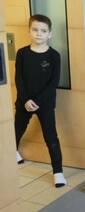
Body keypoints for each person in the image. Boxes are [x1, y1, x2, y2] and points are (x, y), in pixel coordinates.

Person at [14, 14, 66, 188]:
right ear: (29, 31)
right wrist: (26, 100)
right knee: (16, 130)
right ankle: (13, 151)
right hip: (24, 102)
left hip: (45, 105)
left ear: (49, 34)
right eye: (35, 30)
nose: (38, 34)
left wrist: (36, 101)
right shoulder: (22, 53)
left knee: (51, 138)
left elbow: (53, 83)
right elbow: (18, 79)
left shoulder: (54, 56)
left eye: (43, 31)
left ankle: (58, 173)